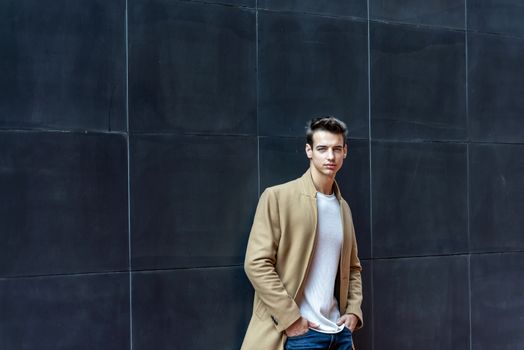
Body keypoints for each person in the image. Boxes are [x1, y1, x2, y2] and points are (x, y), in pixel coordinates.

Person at [241, 116, 363, 350]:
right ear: (309, 151)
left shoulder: (342, 207)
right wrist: (291, 320)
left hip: (339, 333)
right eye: (322, 148)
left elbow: (353, 268)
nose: (330, 156)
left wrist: (354, 312)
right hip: (300, 334)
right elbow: (256, 263)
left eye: (337, 149)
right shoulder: (277, 197)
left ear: (345, 152)